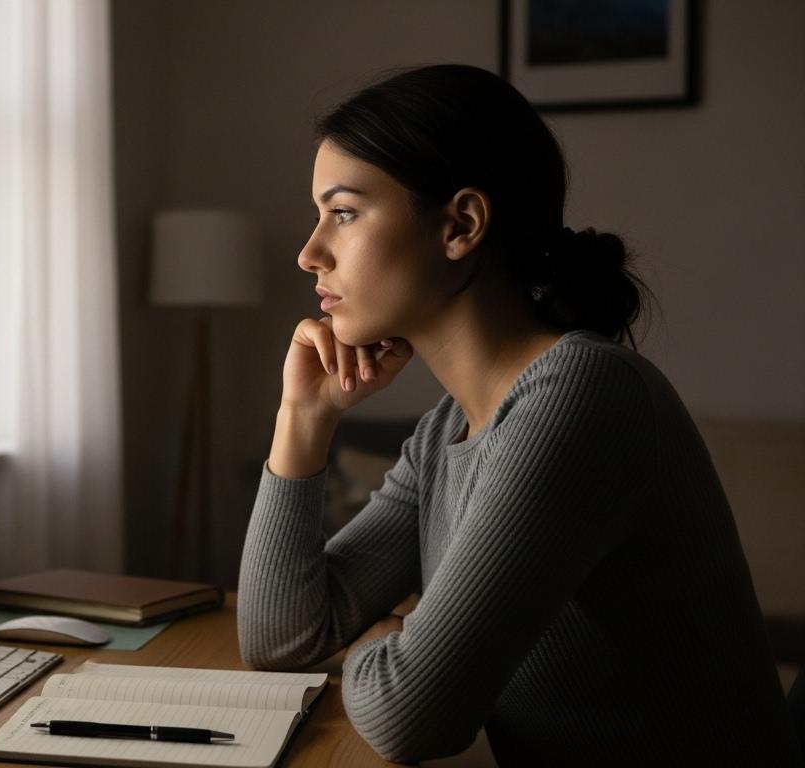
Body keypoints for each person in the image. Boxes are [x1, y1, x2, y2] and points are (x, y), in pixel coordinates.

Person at [237, 64, 801, 766]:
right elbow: (278, 638)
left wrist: (381, 639)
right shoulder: (449, 430)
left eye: (343, 212)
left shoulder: (583, 397)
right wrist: (303, 417)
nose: (308, 252)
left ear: (461, 225)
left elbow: (412, 717)